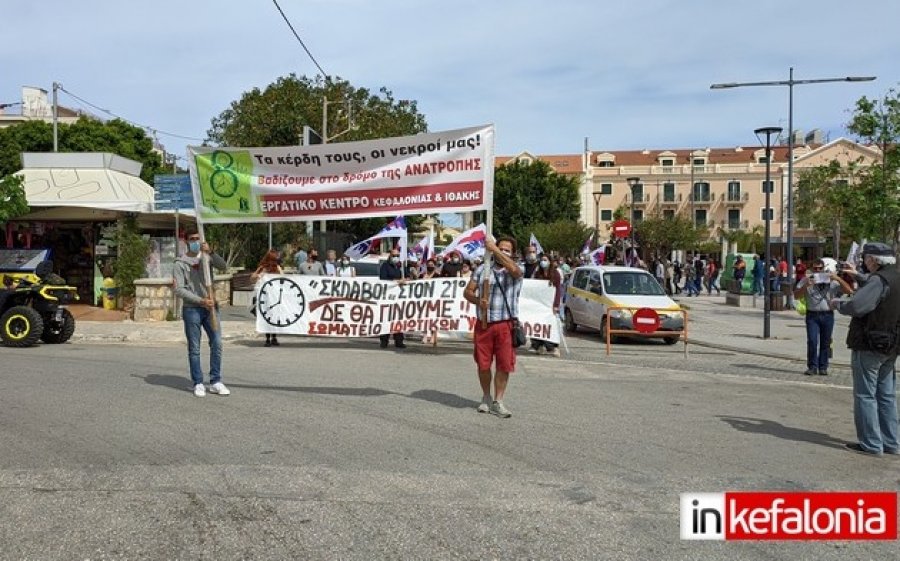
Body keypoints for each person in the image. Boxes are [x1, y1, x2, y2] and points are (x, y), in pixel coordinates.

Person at [831, 243, 900, 456]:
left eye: (866, 259)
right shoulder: (895, 276)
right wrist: (857, 276)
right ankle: (892, 442)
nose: (864, 262)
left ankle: (871, 443)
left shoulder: (879, 280)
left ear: (873, 260)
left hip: (871, 343)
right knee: (886, 394)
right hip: (892, 344)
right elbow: (879, 288)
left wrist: (839, 304)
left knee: (865, 395)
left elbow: (859, 305)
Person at [464, 235, 523, 418]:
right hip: (484, 323)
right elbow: (468, 292)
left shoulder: (515, 270)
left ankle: (498, 401)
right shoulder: (482, 270)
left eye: (507, 250)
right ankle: (486, 397)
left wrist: (495, 250)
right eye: (501, 248)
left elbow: (514, 270)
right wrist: (478, 301)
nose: (503, 251)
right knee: (483, 364)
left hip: (506, 324)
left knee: (504, 365)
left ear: (512, 254)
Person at [173, 229, 229, 398]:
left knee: (217, 343)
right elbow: (179, 289)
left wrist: (211, 252)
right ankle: (198, 382)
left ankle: (215, 381)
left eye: (198, 238)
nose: (196, 241)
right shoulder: (180, 263)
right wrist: (200, 300)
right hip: (192, 309)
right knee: (195, 348)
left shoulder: (207, 258)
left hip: (211, 308)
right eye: (192, 239)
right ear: (186, 241)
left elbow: (223, 266)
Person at [794, 258, 852, 376]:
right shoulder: (806, 280)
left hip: (827, 314)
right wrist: (806, 286)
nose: (818, 271)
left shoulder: (831, 282)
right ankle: (812, 366)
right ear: (812, 269)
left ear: (824, 269)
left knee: (825, 342)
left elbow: (849, 290)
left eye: (820, 268)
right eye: (815, 269)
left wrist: (838, 278)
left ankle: (823, 367)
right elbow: (796, 296)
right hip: (812, 315)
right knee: (812, 341)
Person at [529, 253, 562, 357]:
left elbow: (558, 290)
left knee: (550, 326)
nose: (543, 262)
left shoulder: (555, 274)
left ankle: (552, 347)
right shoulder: (538, 273)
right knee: (538, 324)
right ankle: (538, 345)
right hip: (539, 304)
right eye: (542, 260)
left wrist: (556, 305)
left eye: (545, 260)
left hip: (550, 304)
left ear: (550, 261)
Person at [251, 249, 284, 347]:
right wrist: (258, 275)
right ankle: (268, 338)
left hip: (274, 296)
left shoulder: (278, 268)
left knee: (274, 316)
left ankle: (273, 337)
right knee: (265, 317)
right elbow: (252, 278)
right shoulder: (262, 268)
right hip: (263, 296)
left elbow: (283, 279)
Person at [379, 248, 407, 349]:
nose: (396, 257)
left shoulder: (401, 266)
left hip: (399, 297)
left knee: (398, 319)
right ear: (390, 256)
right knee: (386, 318)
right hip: (388, 296)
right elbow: (383, 279)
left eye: (397, 255)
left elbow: (406, 278)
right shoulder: (385, 266)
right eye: (394, 255)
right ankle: (384, 341)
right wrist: (398, 281)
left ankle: (399, 341)